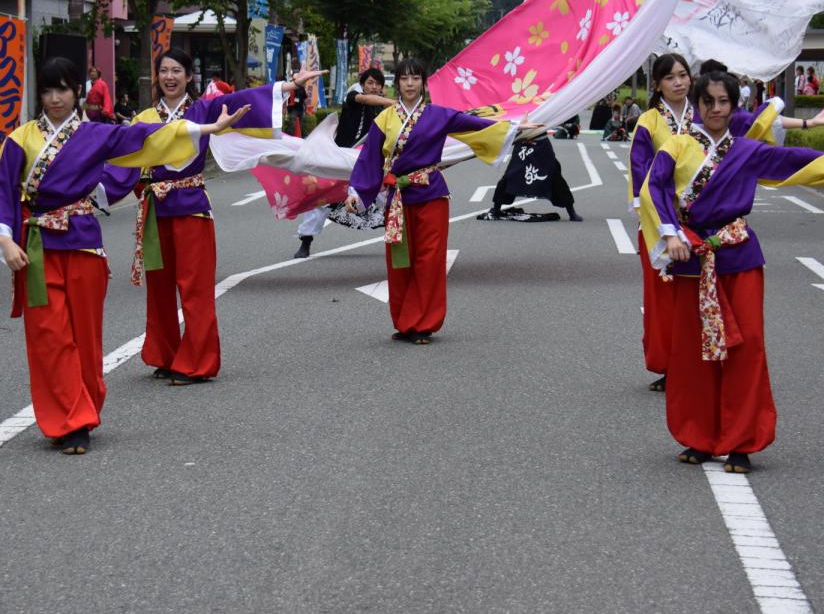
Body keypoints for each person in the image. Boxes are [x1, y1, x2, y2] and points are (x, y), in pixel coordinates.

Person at [640, 71, 824, 473]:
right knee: (691, 354)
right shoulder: (677, 146)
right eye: (708, 102)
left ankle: (740, 443)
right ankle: (698, 437)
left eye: (723, 102)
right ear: (698, 106)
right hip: (692, 261)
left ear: (734, 107)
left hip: (740, 259)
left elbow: (801, 162)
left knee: (745, 351)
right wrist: (669, 231)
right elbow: (654, 188)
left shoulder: (747, 151)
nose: (715, 109)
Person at [0, 56, 249, 454]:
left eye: (63, 90)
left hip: (84, 244)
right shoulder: (21, 140)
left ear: (78, 93)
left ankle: (82, 411)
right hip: (37, 247)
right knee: (47, 336)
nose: (55, 98)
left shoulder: (96, 134)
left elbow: (147, 139)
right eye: (48, 90)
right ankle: (68, 420)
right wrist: (5, 242)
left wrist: (207, 128)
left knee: (85, 338)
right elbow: (1, 192)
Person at [629, 54, 824, 392]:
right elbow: (644, 172)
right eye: (670, 77)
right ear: (657, 84)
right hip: (669, 225)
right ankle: (670, 363)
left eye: (683, 75)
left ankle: (711, 373)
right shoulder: (650, 121)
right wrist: (659, 221)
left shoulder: (706, 107)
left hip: (714, 230)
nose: (679, 82)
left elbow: (753, 125)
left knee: (723, 309)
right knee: (667, 301)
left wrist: (808, 124)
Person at [130, 47, 324, 385]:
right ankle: (164, 353)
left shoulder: (203, 109)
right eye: (164, 71)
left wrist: (289, 85)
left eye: (177, 71)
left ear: (190, 77)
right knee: (159, 288)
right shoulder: (144, 117)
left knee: (195, 288)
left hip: (191, 208)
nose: (170, 77)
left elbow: (246, 100)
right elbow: (122, 152)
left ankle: (197, 362)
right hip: (155, 209)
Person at [344, 57, 534, 345]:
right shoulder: (385, 119)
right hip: (398, 199)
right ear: (398, 83)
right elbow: (369, 156)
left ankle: (423, 324)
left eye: (415, 78)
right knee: (400, 261)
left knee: (429, 261)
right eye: (405, 78)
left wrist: (516, 129)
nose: (410, 83)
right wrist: (357, 191)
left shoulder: (439, 114)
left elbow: (477, 125)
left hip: (431, 194)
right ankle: (405, 322)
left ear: (423, 83)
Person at [293, 68, 396, 258]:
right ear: (363, 83)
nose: (373, 87)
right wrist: (393, 102)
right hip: (338, 158)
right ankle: (305, 242)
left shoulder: (382, 109)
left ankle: (398, 239)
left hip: (363, 160)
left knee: (385, 195)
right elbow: (366, 99)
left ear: (382, 87)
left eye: (377, 84)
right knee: (321, 197)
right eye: (370, 83)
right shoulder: (353, 95)